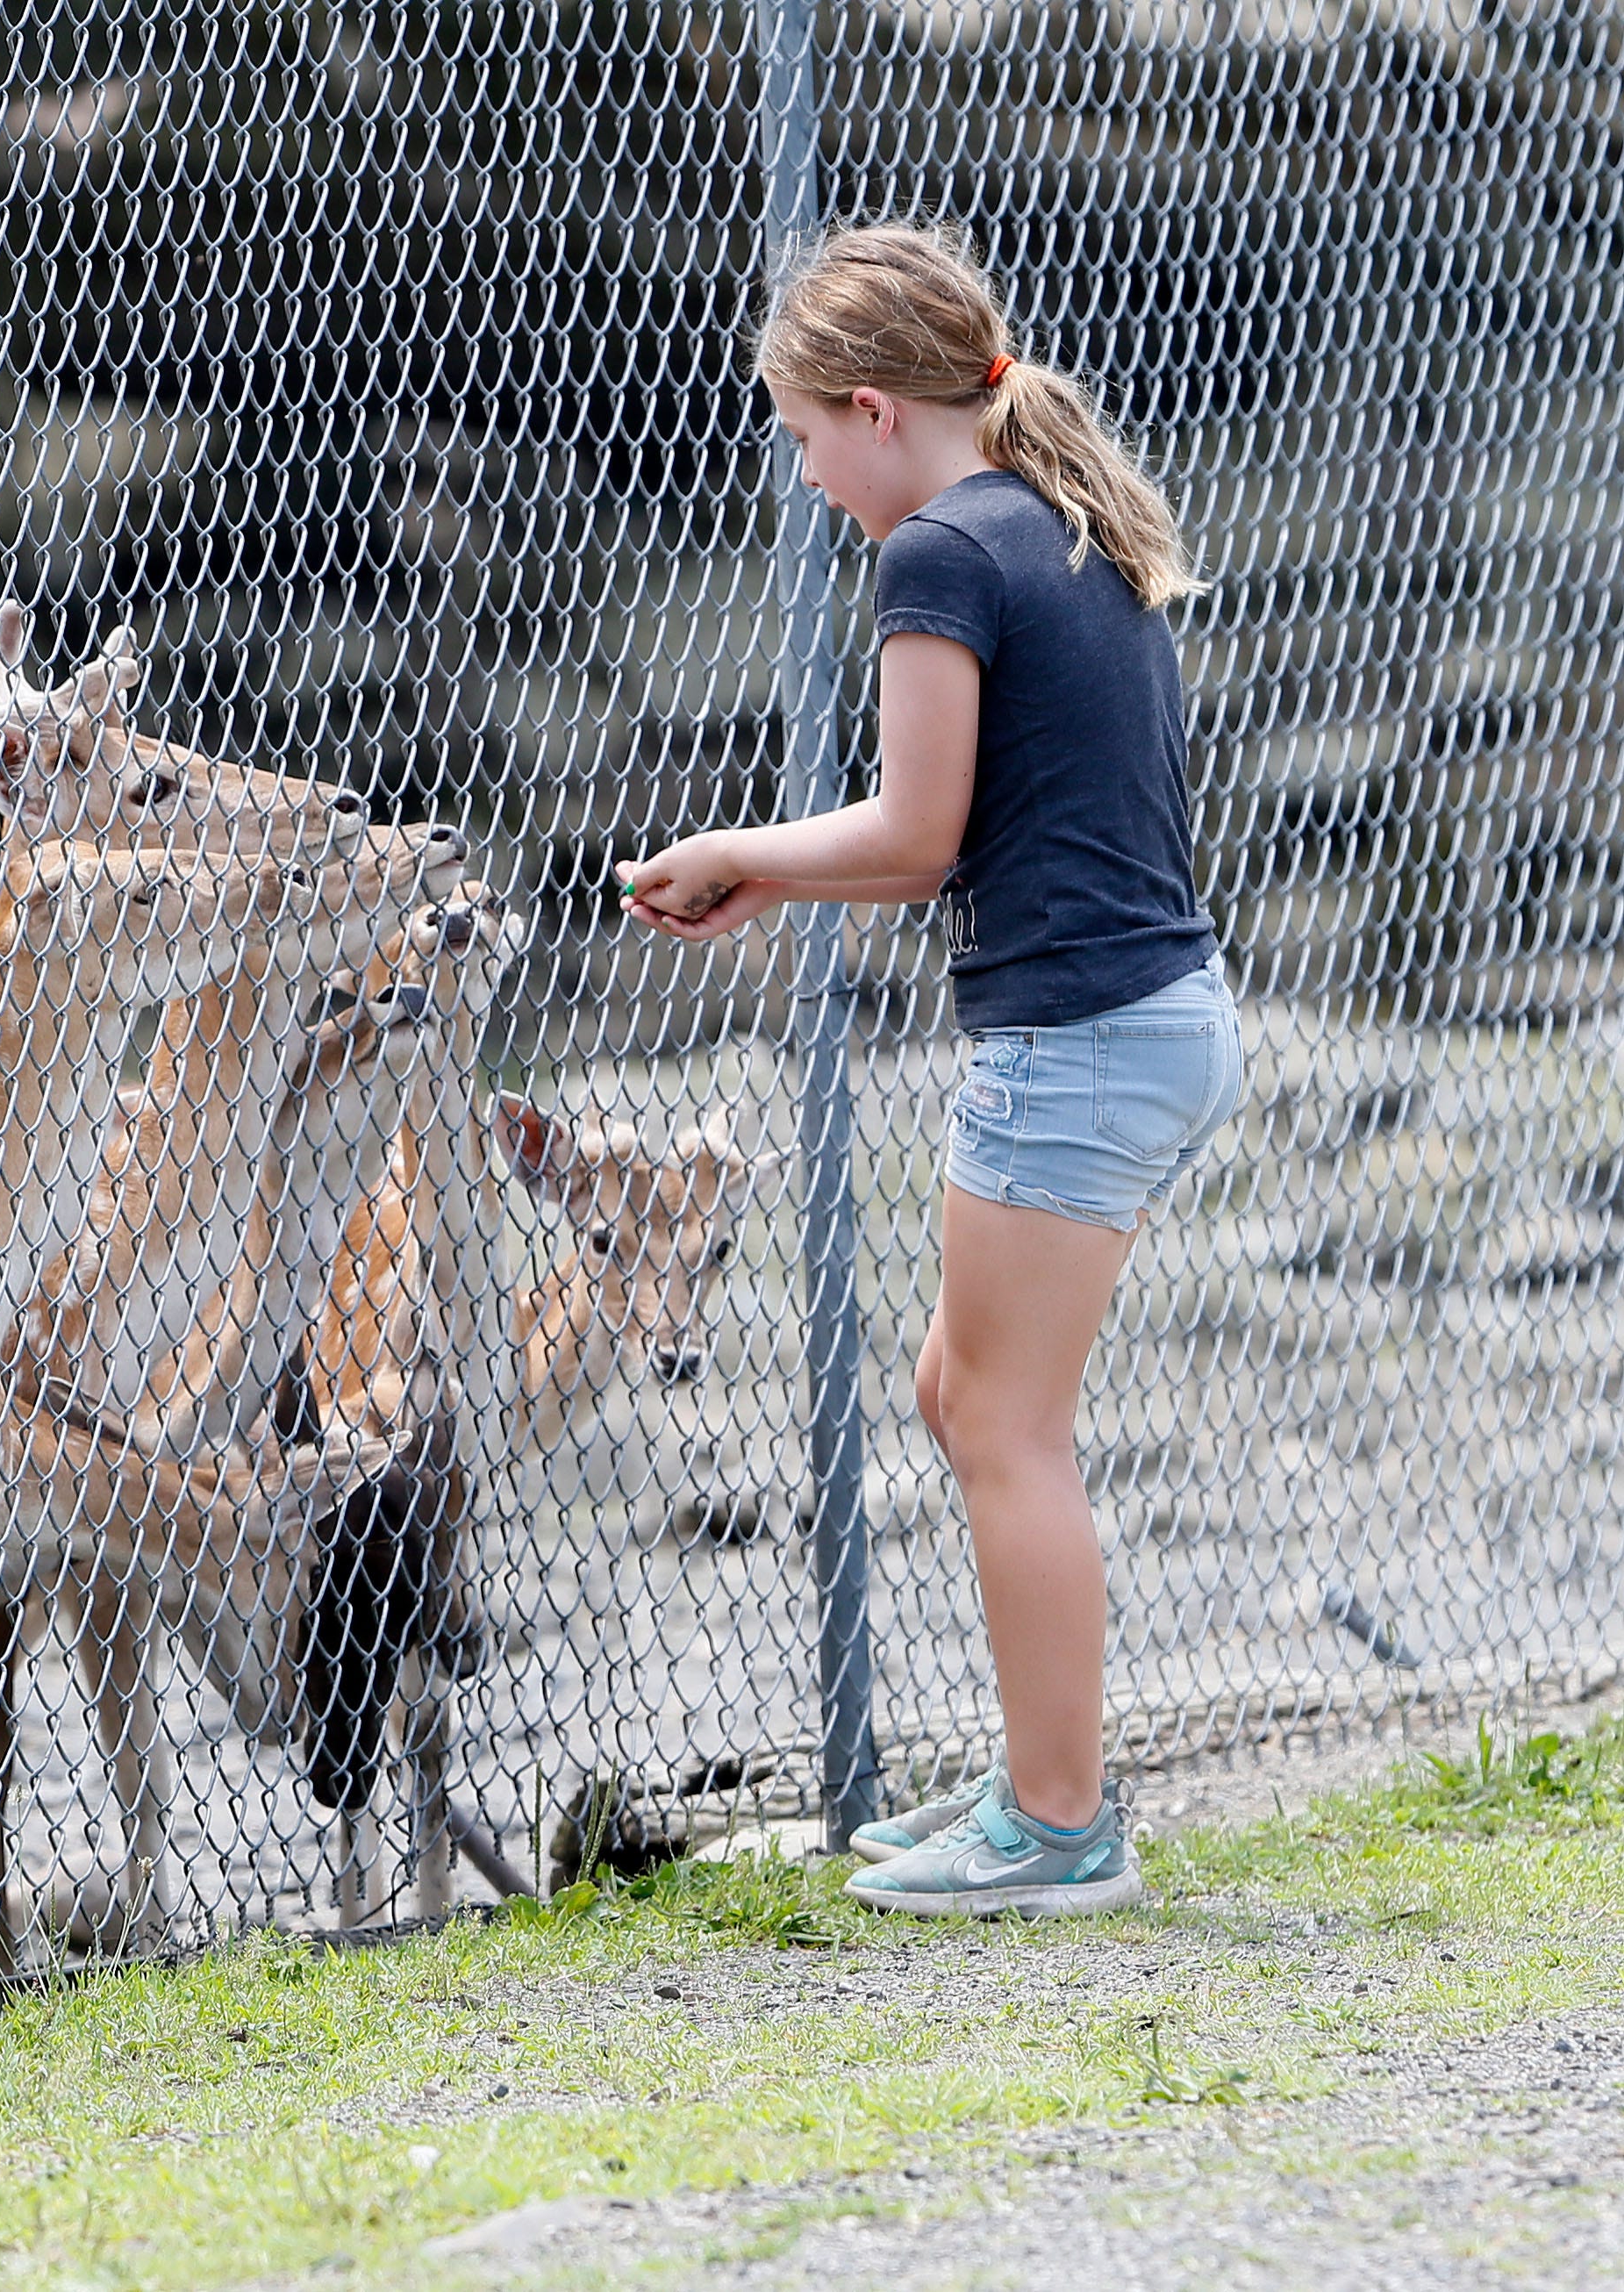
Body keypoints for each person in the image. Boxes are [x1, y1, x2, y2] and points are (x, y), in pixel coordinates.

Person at [615, 223, 1241, 1917]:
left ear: (873, 410)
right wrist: (773, 873)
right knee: (960, 1398)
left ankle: (1057, 1830)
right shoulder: (1057, 520)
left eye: (807, 436)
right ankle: (1042, 1786)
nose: (809, 475)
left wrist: (740, 845)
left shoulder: (941, 555)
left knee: (1008, 1431)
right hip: (1159, 1019)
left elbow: (917, 833)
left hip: (1079, 1039)